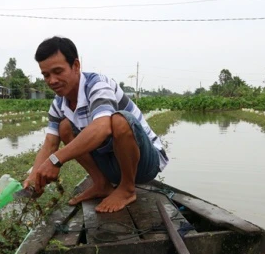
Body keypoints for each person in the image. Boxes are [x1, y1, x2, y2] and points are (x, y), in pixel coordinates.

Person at [23, 36, 168, 213]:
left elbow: (102, 127)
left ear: (76, 66)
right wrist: (33, 177)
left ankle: (127, 189)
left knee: (119, 121)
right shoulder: (59, 103)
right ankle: (101, 183)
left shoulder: (97, 85)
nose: (52, 80)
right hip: (113, 164)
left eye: (58, 71)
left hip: (144, 163)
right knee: (64, 127)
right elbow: (50, 144)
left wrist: (56, 160)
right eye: (46, 75)